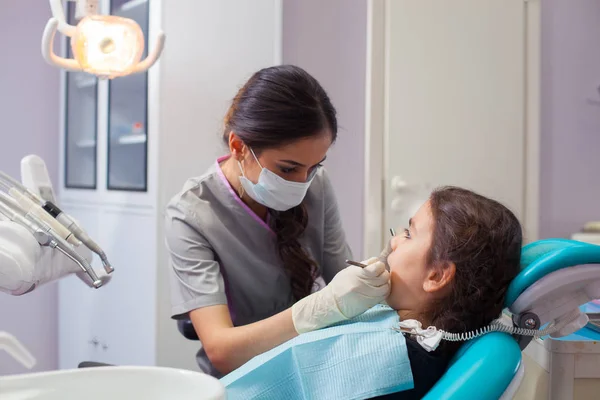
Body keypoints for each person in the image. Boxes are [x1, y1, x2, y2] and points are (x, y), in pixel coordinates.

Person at [165, 65, 390, 377]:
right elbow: (221, 350)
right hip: (241, 380)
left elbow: (342, 278)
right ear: (238, 147)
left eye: (313, 167)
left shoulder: (317, 184)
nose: (302, 182)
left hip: (312, 366)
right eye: (288, 169)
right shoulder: (191, 215)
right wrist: (317, 309)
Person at [221, 186, 523, 399]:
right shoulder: (407, 333)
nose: (393, 243)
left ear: (436, 276)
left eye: (408, 234)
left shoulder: (397, 365)